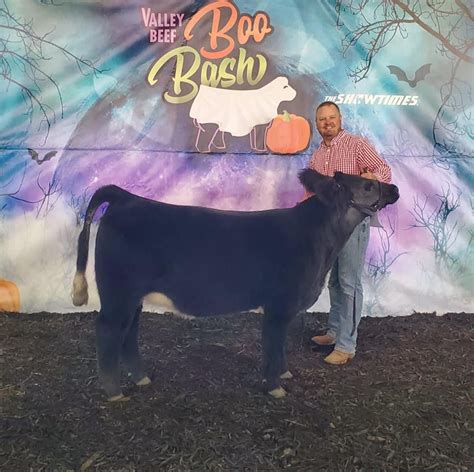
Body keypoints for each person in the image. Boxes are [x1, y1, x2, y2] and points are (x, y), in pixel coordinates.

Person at [306, 101, 392, 365]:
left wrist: (371, 178)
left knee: (349, 282)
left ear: (340, 119)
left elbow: (384, 171)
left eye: (332, 117)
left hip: (352, 223)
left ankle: (346, 345)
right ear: (317, 124)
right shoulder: (317, 155)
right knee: (334, 281)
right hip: (328, 226)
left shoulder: (356, 144)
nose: (327, 122)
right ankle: (334, 332)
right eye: (322, 119)